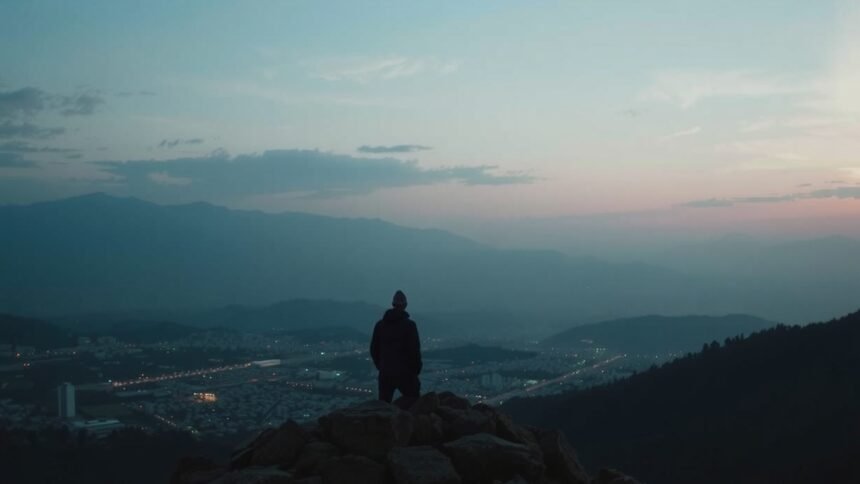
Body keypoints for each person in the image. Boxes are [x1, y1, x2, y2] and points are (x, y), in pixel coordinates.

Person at [370, 290, 422, 406]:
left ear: (393, 304)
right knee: (414, 403)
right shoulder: (409, 325)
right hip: (405, 372)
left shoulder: (380, 325)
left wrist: (381, 365)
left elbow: (374, 349)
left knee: (384, 405)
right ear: (405, 305)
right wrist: (416, 370)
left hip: (385, 372)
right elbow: (414, 351)